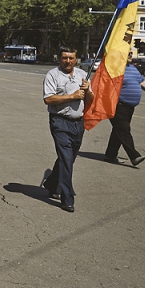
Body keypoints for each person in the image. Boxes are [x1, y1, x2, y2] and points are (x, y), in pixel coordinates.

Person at [42, 46, 93, 213]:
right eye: (65, 58)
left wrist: (87, 91)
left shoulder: (81, 75)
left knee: (69, 158)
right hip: (60, 122)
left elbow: (91, 99)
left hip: (78, 122)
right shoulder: (53, 75)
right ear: (59, 58)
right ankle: (67, 197)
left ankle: (51, 183)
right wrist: (72, 96)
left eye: (71, 58)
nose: (68, 61)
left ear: (76, 59)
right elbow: (48, 99)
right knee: (65, 158)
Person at [104, 50, 145, 166]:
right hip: (118, 106)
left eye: (131, 53)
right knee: (124, 131)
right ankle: (134, 156)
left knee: (118, 131)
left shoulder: (133, 68)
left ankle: (110, 155)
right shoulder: (116, 69)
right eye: (127, 52)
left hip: (129, 108)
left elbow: (141, 81)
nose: (130, 55)